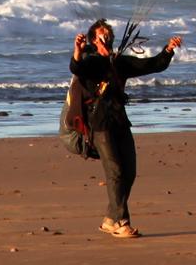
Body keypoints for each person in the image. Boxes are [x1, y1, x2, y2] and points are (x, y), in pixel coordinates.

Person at [69, 20, 183, 238]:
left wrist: (168, 50)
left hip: (120, 122)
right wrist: (77, 50)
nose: (108, 38)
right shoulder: (91, 62)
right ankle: (122, 222)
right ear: (94, 40)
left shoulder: (118, 63)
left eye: (110, 35)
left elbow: (152, 65)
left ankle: (110, 219)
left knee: (129, 172)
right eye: (103, 35)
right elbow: (76, 68)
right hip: (99, 125)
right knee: (115, 172)